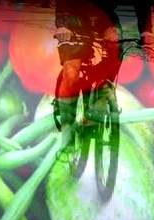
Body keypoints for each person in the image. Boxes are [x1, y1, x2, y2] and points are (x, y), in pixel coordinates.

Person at [53, 0, 122, 129]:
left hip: (104, 21)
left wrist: (145, 31)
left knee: (116, 47)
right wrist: (63, 25)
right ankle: (67, 127)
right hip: (74, 23)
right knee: (71, 75)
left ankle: (102, 90)